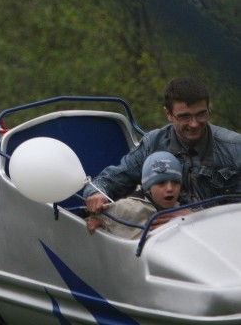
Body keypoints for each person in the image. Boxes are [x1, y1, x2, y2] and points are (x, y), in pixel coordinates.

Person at [86, 77, 241, 216]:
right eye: (185, 116)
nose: (194, 124)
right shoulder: (153, 143)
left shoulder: (235, 148)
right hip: (165, 239)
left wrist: (194, 216)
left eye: (201, 114)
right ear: (168, 114)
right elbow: (112, 179)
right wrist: (97, 194)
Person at [86, 151, 185, 239]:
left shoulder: (182, 209)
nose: (170, 188)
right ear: (149, 188)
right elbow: (108, 215)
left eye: (175, 183)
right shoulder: (131, 206)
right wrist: (99, 221)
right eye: (161, 183)